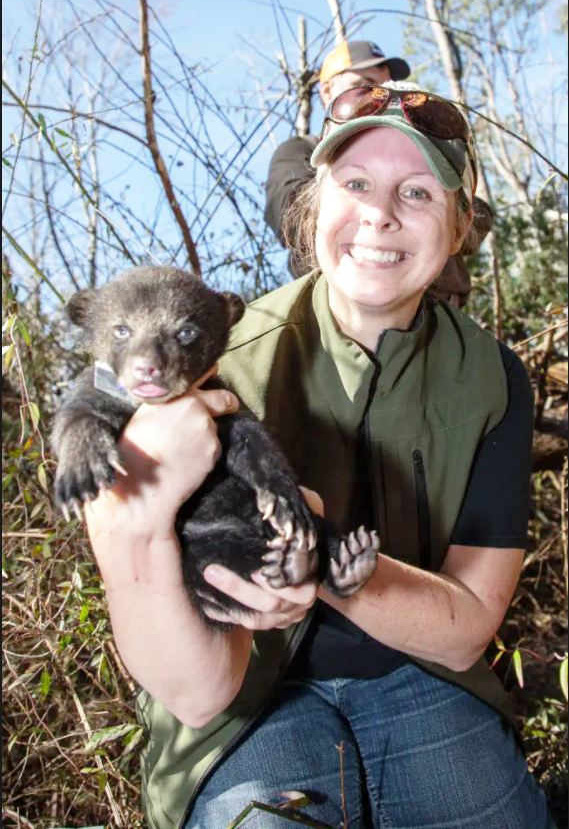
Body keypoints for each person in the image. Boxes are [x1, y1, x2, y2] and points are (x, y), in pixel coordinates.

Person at [85, 81, 556, 829]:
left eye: (417, 192)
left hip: (424, 672)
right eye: (356, 183)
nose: (379, 213)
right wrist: (128, 526)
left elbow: (468, 622)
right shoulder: (209, 351)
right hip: (247, 698)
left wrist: (321, 566)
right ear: (311, 204)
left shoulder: (490, 377)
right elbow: (201, 692)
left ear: (461, 223)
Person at [265, 39, 493, 307]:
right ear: (327, 90)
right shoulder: (299, 150)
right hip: (331, 313)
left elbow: (478, 215)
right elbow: (289, 214)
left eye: (417, 193)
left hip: (441, 312)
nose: (379, 96)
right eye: (363, 87)